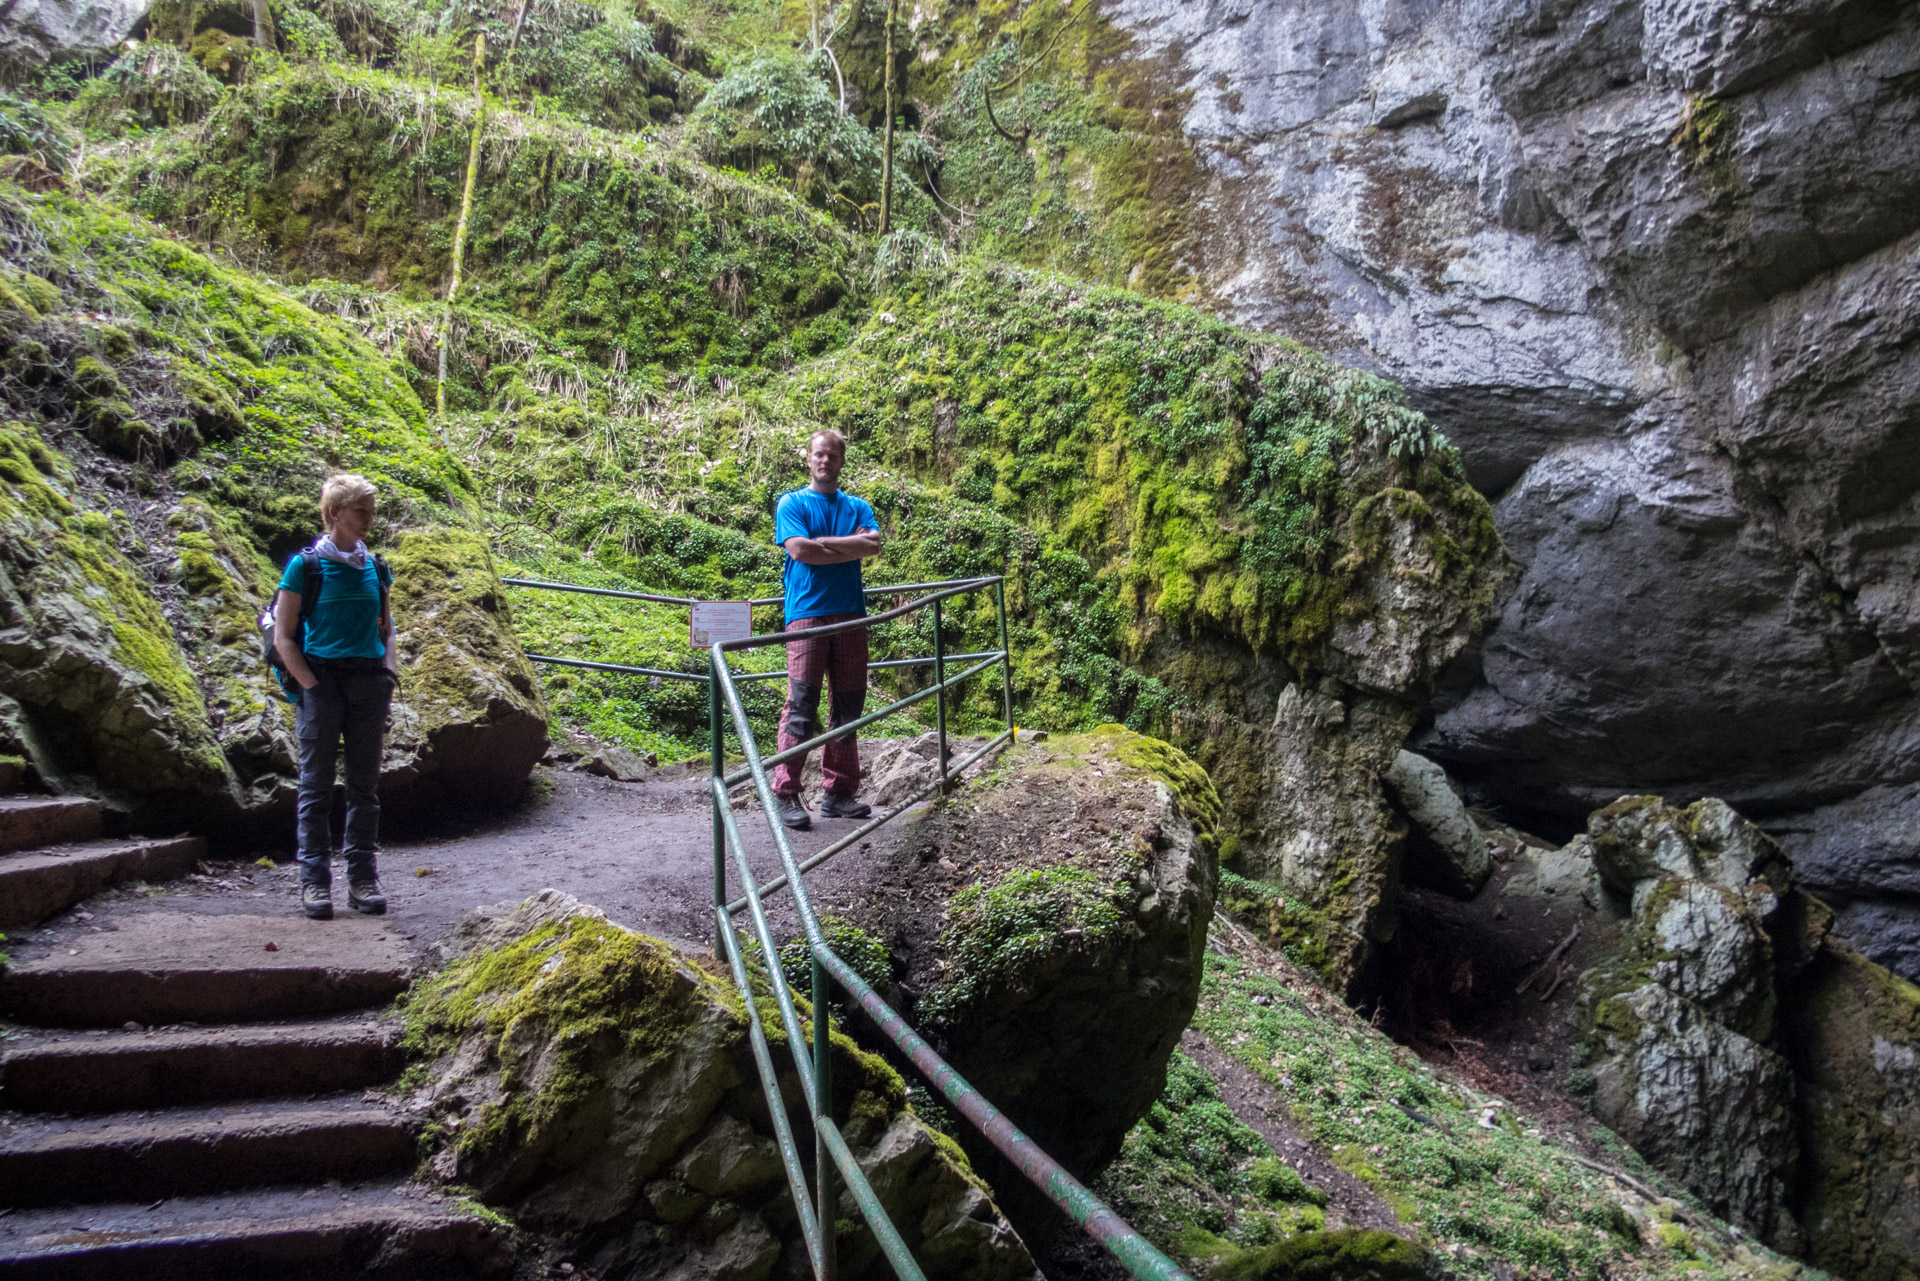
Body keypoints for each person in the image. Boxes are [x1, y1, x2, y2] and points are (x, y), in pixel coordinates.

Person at [274, 473, 397, 920]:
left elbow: (387, 629)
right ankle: (314, 883)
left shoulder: (376, 567)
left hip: (368, 683)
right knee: (316, 787)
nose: (368, 519)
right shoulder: (304, 567)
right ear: (334, 513)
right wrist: (311, 686)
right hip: (321, 683)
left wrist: (388, 674)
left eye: (371, 511)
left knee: (365, 788)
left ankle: (363, 880)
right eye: (359, 510)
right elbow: (284, 637)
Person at [770, 429, 883, 830]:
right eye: (819, 454)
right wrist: (845, 546)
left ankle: (838, 792)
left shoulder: (858, 506)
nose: (825, 461)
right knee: (801, 705)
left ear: (841, 461)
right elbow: (799, 550)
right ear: (808, 458)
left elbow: (873, 546)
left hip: (851, 613)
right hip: (807, 614)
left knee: (848, 705)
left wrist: (823, 544)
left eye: (832, 455)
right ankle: (785, 792)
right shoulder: (792, 502)